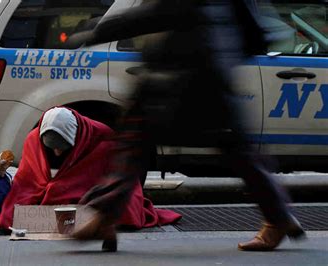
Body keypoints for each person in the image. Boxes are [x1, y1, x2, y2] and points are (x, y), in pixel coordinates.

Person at [69, 0, 305, 252]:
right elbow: (252, 30)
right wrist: (224, 53)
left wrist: (97, 31)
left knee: (132, 142)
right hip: (212, 74)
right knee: (238, 150)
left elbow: (156, 13)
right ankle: (278, 215)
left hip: (178, 78)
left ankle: (104, 216)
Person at [0, 107, 182, 250]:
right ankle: (89, 222)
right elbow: (26, 184)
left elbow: (119, 183)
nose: (57, 152)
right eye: (52, 148)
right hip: (72, 205)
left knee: (124, 210)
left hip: (94, 197)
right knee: (12, 216)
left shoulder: (102, 138)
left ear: (77, 137)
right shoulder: (33, 141)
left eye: (63, 147)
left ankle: (93, 221)